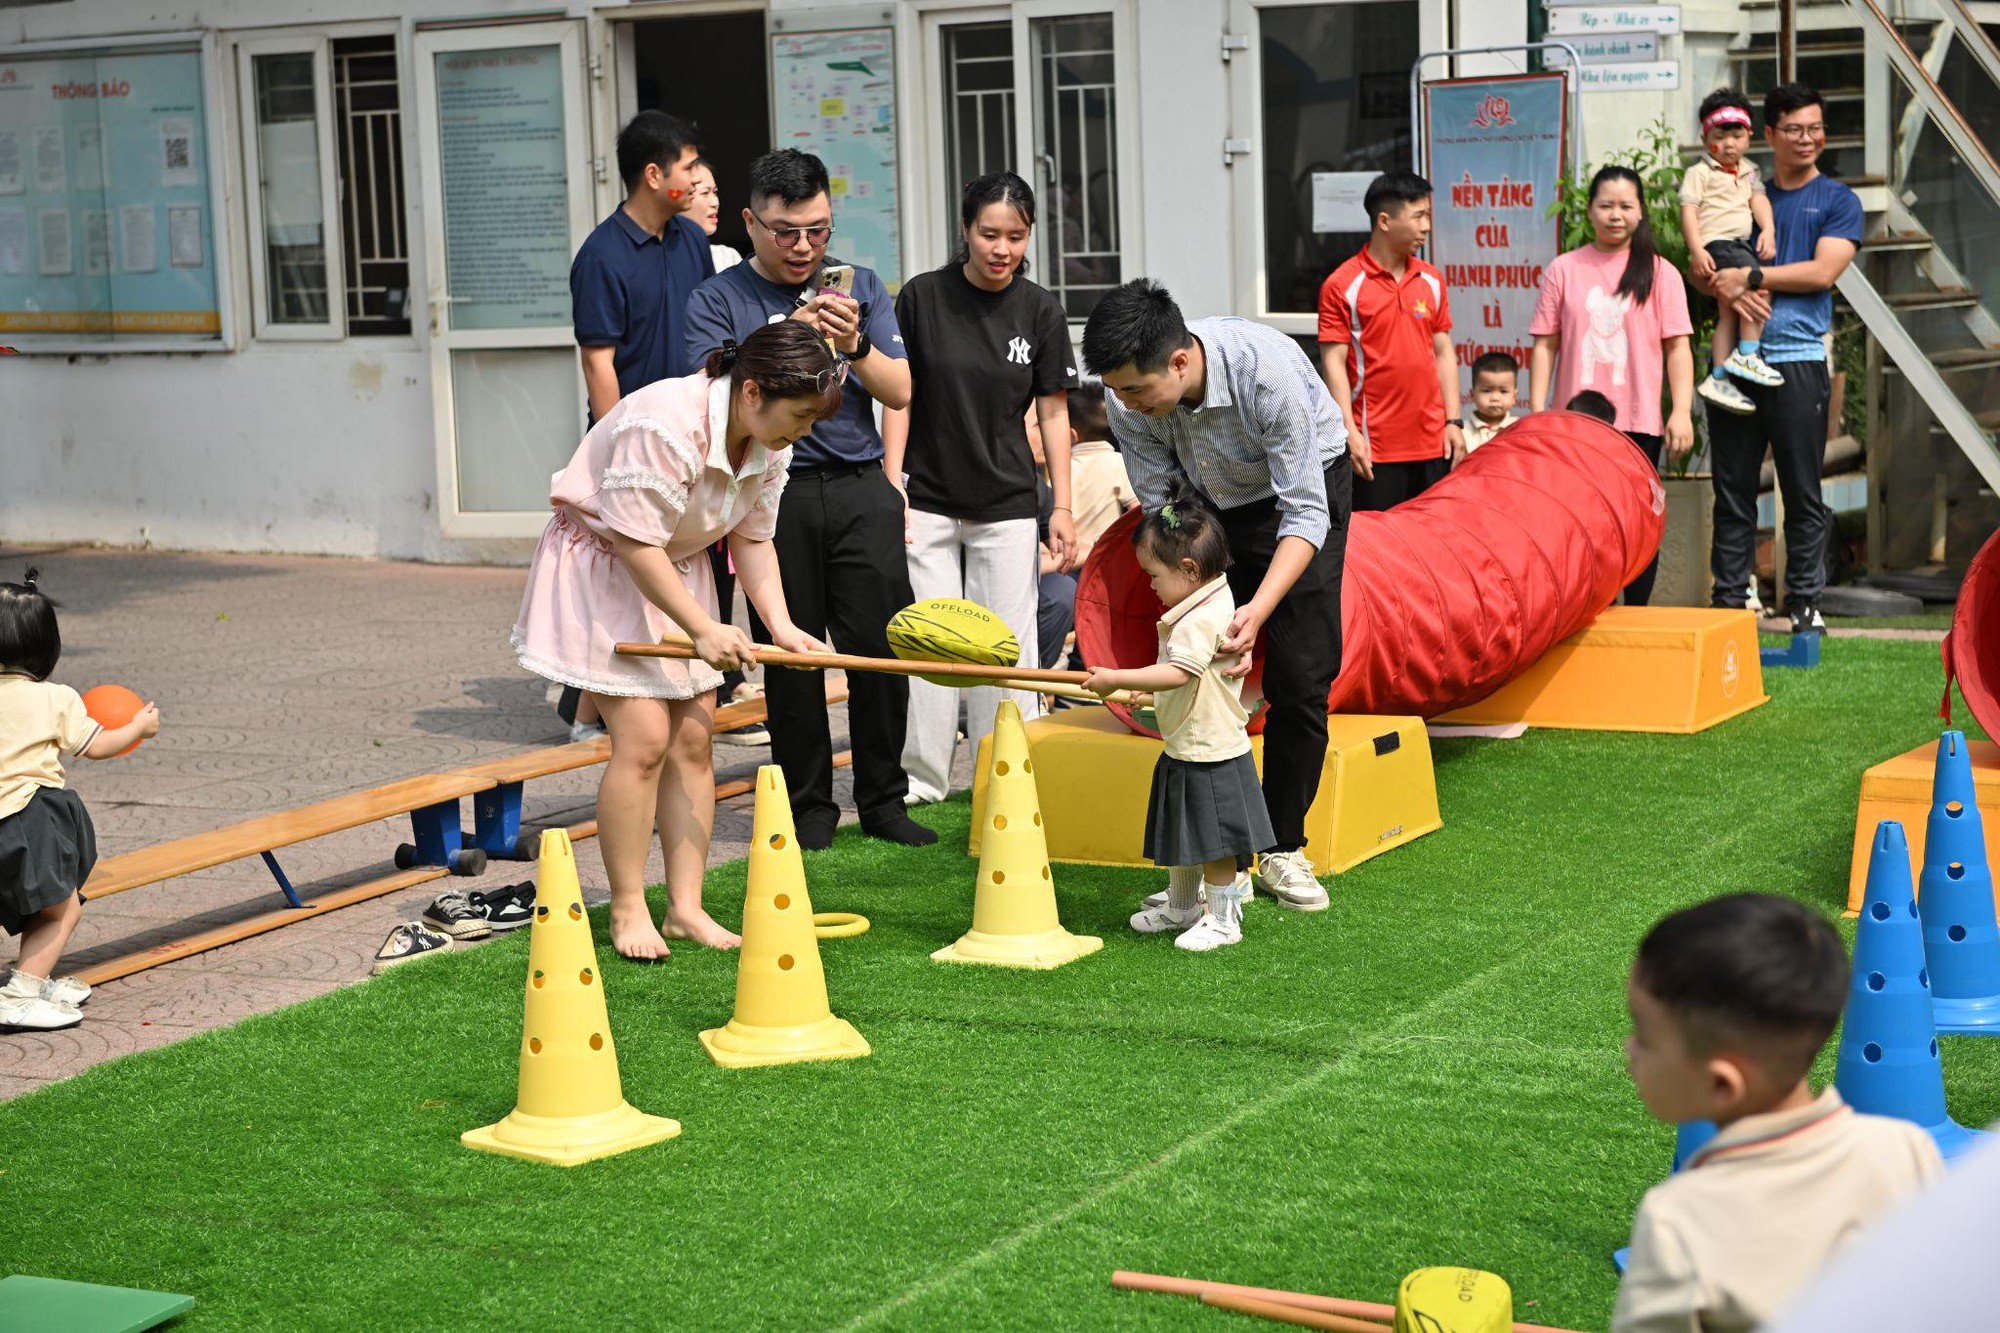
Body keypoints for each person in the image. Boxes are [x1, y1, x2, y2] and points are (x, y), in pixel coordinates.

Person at [510, 321, 838, 961]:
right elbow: (633, 542)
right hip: (607, 566)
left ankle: (686, 909)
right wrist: (703, 627)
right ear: (751, 392)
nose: (804, 431)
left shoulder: (771, 443)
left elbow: (752, 539)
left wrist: (782, 627)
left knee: (693, 737)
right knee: (644, 740)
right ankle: (628, 909)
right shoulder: (662, 422)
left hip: (675, 568)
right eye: (799, 416)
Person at [685, 150, 931, 851]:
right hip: (771, 493)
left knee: (883, 649)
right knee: (789, 649)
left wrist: (852, 345)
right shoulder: (718, 297)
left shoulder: (861, 287)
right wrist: (791, 330)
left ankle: (885, 798)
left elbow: (901, 390)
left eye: (818, 231)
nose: (803, 248)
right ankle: (809, 806)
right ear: (749, 223)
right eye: (786, 232)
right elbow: (709, 392)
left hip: (860, 485)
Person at [1085, 279, 1348, 913]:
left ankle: (1283, 848)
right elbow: (1164, 511)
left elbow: (1305, 511)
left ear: (1179, 362)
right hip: (1206, 509)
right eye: (1115, 390)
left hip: (1303, 493)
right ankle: (1216, 864)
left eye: (1137, 390)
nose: (1124, 404)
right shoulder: (1128, 399)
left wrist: (1257, 609)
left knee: (1301, 676)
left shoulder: (1268, 372)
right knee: (1201, 680)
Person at [1613, 893, 1943, 1332]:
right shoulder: (1907, 1150)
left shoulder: (1679, 1218)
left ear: (1721, 1084)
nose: (1627, 1049)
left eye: (1644, 1035)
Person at [884, 171, 1078, 802]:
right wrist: (894, 486)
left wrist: (1064, 507)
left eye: (1015, 237)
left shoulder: (1040, 309)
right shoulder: (921, 298)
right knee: (931, 643)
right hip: (929, 499)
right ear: (965, 231)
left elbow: (1053, 413)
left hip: (1008, 505)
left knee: (1009, 648)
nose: (1002, 249)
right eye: (989, 234)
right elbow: (899, 396)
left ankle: (1011, 770)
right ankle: (925, 779)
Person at [563, 111, 715, 743]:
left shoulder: (690, 241)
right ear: (654, 175)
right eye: (689, 168)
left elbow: (711, 335)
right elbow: (599, 361)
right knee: (622, 576)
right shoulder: (600, 255)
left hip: (690, 439)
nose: (699, 177)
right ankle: (589, 712)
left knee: (683, 568)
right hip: (631, 446)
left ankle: (682, 687)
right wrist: (618, 442)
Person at [1704, 84, 1863, 634]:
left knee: (1802, 488)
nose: (1807, 139)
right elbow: (1710, 269)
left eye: (1815, 128)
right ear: (1767, 135)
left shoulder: (1839, 200)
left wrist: (1750, 277)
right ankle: (1727, 600)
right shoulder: (1742, 193)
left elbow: (1822, 273)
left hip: (1796, 358)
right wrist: (1723, 282)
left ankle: (1805, 602)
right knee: (1733, 486)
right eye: (1793, 129)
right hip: (1733, 366)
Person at [1085, 486, 1271, 952]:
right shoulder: (1209, 600)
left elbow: (1180, 670)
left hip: (1209, 752)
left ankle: (1224, 920)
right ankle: (1183, 905)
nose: (1150, 585)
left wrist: (1115, 678)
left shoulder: (1196, 620)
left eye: (1154, 575)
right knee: (1185, 832)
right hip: (1188, 743)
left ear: (1188, 570)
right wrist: (1143, 693)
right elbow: (1193, 680)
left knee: (1214, 843)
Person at [0, 570, 160, 1030]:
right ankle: (21, 993)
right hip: (29, 820)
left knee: (40, 904)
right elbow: (98, 745)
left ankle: (33, 974)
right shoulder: (55, 699)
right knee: (63, 906)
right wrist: (140, 728)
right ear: (47, 647)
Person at [1529, 166, 1696, 606]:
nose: (1615, 215)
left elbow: (1678, 348)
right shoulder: (1564, 269)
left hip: (1638, 420)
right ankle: (1586, 608)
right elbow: (1545, 345)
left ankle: (1635, 612)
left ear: (1641, 213)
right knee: (1577, 520)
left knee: (1639, 520)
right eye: (1605, 205)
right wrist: (1538, 411)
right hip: (1574, 425)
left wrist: (1680, 411)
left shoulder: (1662, 273)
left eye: (1625, 206)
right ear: (1589, 211)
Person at [1318, 171, 1464, 510]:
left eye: (1428, 215)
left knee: (1434, 540)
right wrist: (1349, 432)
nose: (1427, 226)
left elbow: (1443, 353)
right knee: (1378, 549)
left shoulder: (1432, 279)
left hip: (1434, 443)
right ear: (1384, 220)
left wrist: (1453, 421)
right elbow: (1333, 363)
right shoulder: (1342, 285)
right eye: (1419, 216)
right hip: (1375, 448)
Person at [1682, 89, 1783, 416]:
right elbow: (1689, 212)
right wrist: (1697, 250)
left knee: (1728, 312)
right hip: (1719, 244)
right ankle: (1749, 353)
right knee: (1760, 290)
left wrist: (1767, 228)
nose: (1728, 144)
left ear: (1749, 136)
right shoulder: (1698, 173)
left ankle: (1720, 375)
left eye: (1736, 134)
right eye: (1719, 136)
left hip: (1739, 243)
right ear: (1704, 137)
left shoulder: (1748, 169)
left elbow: (1758, 201)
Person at [1065, 383, 1136, 566]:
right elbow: (1137, 509)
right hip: (1106, 558)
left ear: (1072, 434)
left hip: (1069, 557)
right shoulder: (1118, 462)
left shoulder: (1061, 470)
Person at [686, 159, 743, 275]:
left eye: (715, 192)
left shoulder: (728, 258)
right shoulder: (658, 259)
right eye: (704, 193)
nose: (715, 202)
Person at [1463, 351, 1520, 451]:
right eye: (1486, 391)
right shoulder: (1461, 431)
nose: (1495, 398)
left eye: (1503, 391)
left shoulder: (1520, 429)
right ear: (1472, 395)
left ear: (1514, 397)